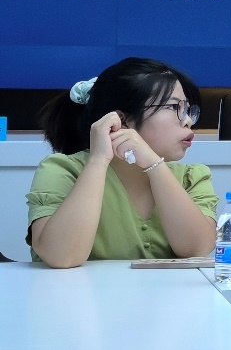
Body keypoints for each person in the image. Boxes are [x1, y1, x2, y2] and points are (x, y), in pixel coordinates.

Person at [26, 57, 219, 267]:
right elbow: (62, 257)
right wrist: (98, 160)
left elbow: (196, 249)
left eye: (188, 109)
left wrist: (154, 165)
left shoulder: (192, 176)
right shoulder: (61, 170)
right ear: (122, 119)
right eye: (174, 107)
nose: (188, 120)